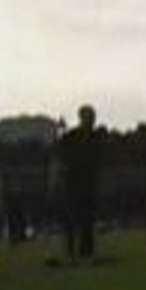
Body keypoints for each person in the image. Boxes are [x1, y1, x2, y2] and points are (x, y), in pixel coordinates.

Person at [56, 105, 105, 264]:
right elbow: (62, 157)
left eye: (93, 117)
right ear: (81, 117)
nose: (92, 120)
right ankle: (70, 250)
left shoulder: (95, 138)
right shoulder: (70, 136)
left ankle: (86, 251)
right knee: (72, 218)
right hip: (73, 182)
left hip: (89, 181)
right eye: (89, 117)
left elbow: (99, 159)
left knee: (88, 219)